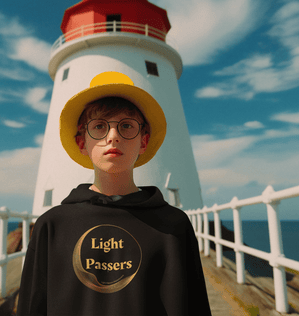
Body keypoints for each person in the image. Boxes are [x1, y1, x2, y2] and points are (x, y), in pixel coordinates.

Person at [17, 72, 211, 315]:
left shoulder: (174, 225)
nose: (113, 136)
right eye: (99, 126)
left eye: (126, 126)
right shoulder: (52, 225)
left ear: (143, 141)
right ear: (81, 143)